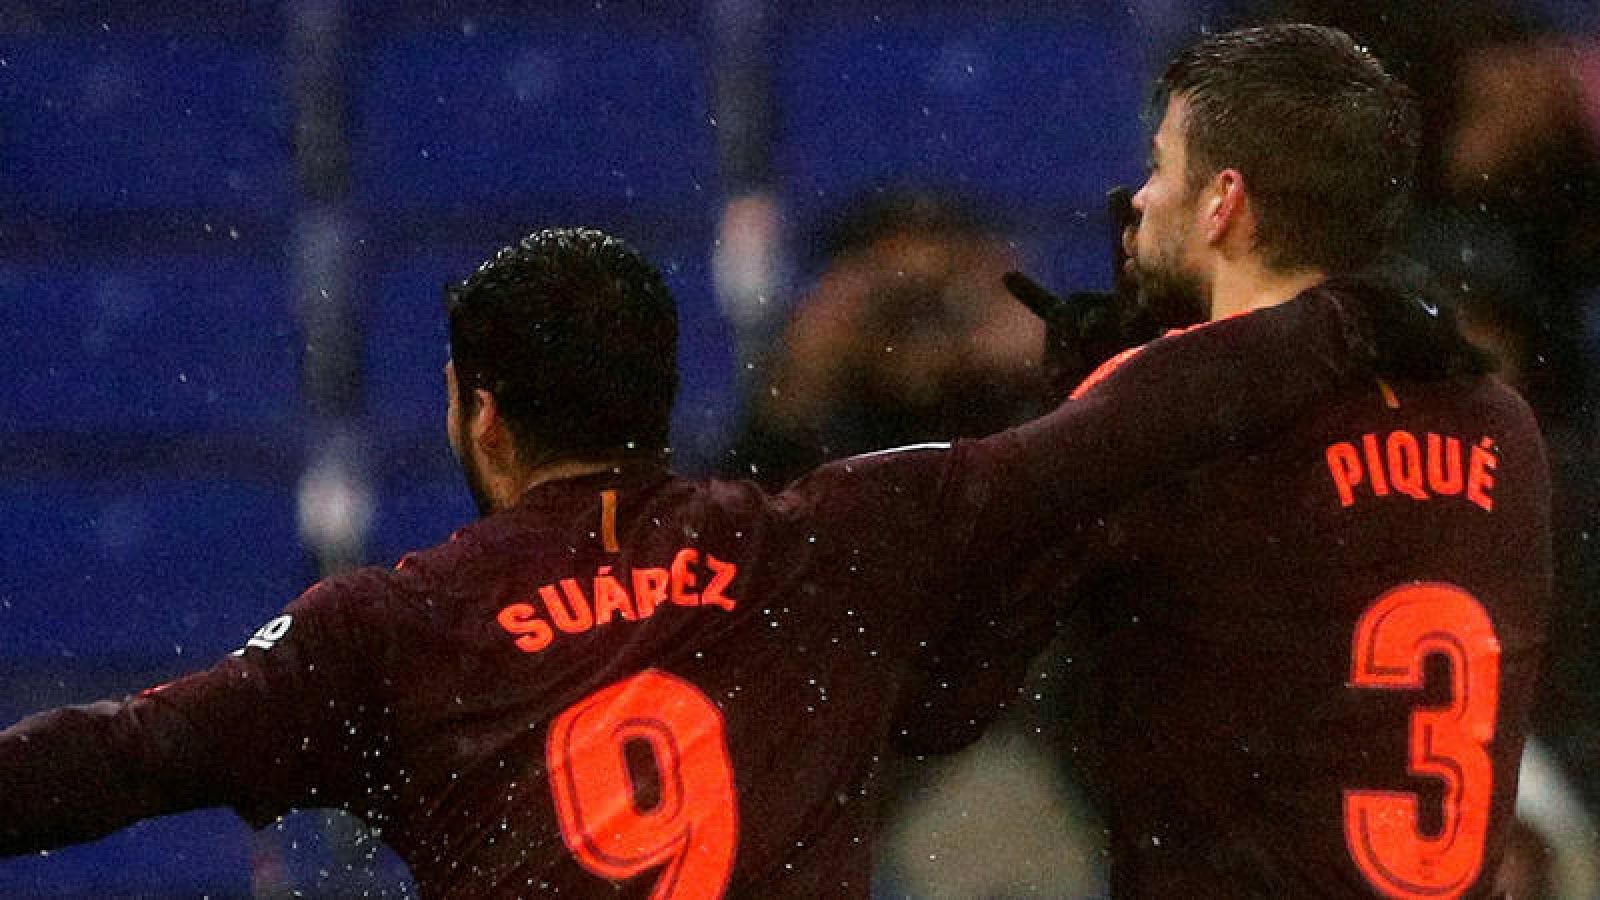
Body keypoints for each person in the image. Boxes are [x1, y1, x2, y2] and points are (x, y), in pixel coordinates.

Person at [0, 225, 1386, 897]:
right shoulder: (822, 541)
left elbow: (113, 759)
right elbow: (1110, 441)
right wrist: (1354, 321)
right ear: (658, 399)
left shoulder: (387, 631)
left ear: (475, 411)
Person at [898, 24, 1552, 896]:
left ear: (1223, 202)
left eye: (1162, 167)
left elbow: (946, 696)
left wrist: (1093, 413)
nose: (1138, 197)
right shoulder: (1500, 423)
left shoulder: (1171, 419)